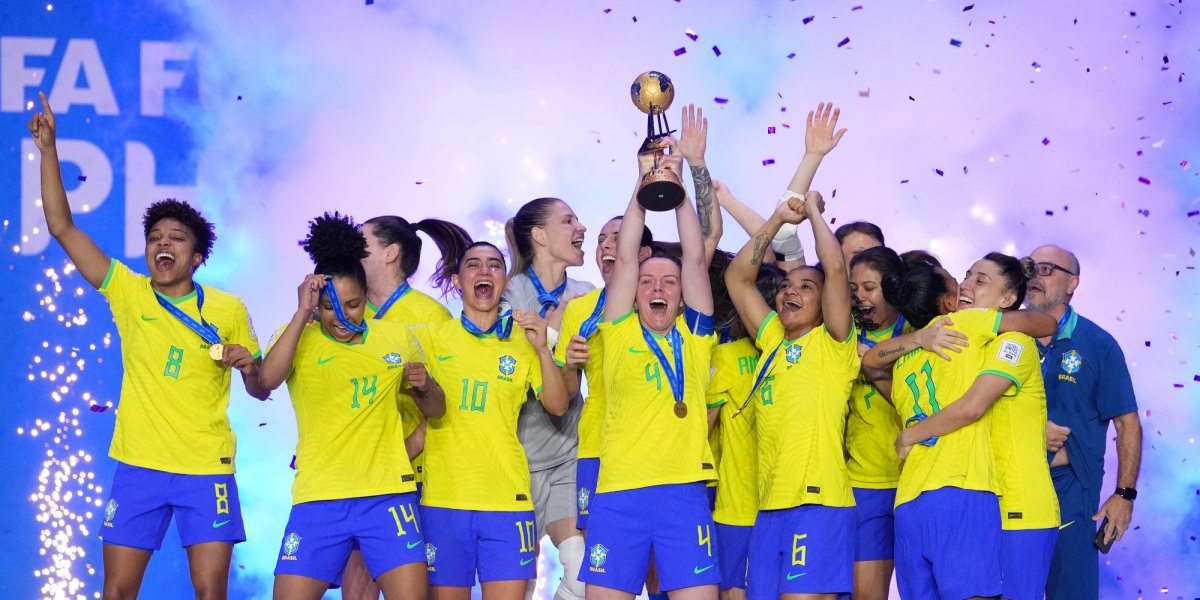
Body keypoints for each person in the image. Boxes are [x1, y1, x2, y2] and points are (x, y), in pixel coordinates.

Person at [29, 92, 267, 600]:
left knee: (210, 593)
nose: (163, 243)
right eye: (155, 236)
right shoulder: (128, 291)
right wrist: (49, 150)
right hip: (139, 465)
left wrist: (249, 367)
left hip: (207, 469)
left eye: (177, 237)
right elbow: (61, 227)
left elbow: (263, 387)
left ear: (197, 256)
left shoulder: (227, 310)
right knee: (117, 592)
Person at [258, 212, 442, 599]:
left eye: (354, 304)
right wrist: (300, 314)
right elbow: (265, 381)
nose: (342, 317)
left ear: (365, 299)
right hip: (319, 497)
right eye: (330, 307)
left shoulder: (394, 338)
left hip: (388, 496)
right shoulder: (297, 338)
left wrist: (426, 388)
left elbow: (438, 409)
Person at [861, 258, 1057, 600]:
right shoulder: (950, 339)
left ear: (1007, 300)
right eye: (965, 275)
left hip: (1019, 507)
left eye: (979, 280)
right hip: (977, 499)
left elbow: (972, 406)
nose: (966, 284)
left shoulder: (1012, 342)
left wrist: (911, 433)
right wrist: (919, 338)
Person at [578, 138, 719, 600]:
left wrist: (674, 185)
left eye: (669, 282)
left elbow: (696, 257)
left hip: (684, 494)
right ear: (633, 291)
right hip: (619, 493)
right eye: (647, 281)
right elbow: (623, 260)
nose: (658, 287)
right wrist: (643, 184)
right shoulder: (617, 332)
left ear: (681, 295)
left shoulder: (696, 338)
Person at [724, 188, 858, 600]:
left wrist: (814, 212)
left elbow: (835, 269)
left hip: (818, 505)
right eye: (785, 285)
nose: (790, 291)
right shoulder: (773, 341)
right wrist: (777, 220)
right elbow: (737, 278)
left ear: (826, 303)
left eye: (805, 286)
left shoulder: (833, 343)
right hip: (768, 509)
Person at [416, 241, 569, 600]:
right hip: (444, 500)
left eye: (494, 265)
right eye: (473, 265)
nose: (484, 272)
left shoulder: (523, 341)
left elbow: (559, 406)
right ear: (457, 280)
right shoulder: (431, 338)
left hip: (507, 501)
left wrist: (542, 348)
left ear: (504, 281)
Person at [341, 215, 472, 600]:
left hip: (414, 477)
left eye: (361, 243)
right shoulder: (347, 313)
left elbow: (449, 402)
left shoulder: (430, 317)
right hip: (356, 475)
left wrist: (405, 450)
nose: (351, 250)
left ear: (390, 253)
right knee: (357, 590)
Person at [1024, 245, 1142, 600]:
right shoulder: (1005, 336)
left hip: (1070, 492)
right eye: (1030, 268)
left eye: (1046, 269)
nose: (1034, 277)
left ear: (1072, 282)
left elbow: (1127, 423)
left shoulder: (1097, 344)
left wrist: (1124, 495)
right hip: (1005, 484)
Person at [503, 196, 595, 599]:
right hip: (512, 462)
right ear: (539, 235)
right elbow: (517, 377)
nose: (581, 228)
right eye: (568, 220)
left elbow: (577, 383)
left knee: (582, 575)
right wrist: (556, 323)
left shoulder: (588, 292)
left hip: (567, 457)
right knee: (513, 588)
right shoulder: (510, 294)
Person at [556, 216, 654, 538]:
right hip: (597, 446)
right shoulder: (578, 310)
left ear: (643, 252)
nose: (606, 245)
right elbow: (568, 393)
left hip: (653, 446)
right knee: (598, 549)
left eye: (618, 237)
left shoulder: (661, 305)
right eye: (600, 240)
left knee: (655, 561)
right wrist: (569, 366)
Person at [705, 263, 784, 600]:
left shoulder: (723, 356)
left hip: (735, 507)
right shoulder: (796, 356)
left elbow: (699, 430)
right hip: (782, 506)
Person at [845, 246, 908, 600]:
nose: (860, 297)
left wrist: (872, 366)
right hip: (865, 483)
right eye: (853, 290)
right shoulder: (843, 332)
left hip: (917, 483)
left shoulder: (920, 331)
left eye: (869, 288)